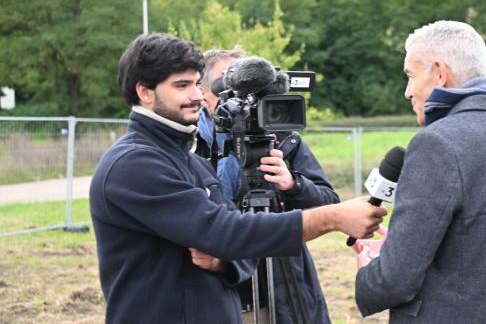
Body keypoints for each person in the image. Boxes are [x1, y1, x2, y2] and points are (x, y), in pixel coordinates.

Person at [89, 33, 386, 324]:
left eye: (195, 84)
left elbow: (236, 246)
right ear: (145, 92)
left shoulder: (189, 160)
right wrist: (332, 217)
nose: (196, 95)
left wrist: (224, 260)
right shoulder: (134, 163)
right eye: (182, 85)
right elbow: (226, 231)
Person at [353, 21, 486, 323]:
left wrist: (371, 270)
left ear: (440, 73)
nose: (408, 92)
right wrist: (404, 242)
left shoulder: (436, 143)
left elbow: (393, 280)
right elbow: (476, 246)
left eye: (411, 76)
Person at [196, 48, 338, 323]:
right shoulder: (191, 147)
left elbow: (330, 203)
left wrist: (293, 184)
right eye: (230, 82)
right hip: (219, 295)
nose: (243, 95)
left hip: (284, 288)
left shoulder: (283, 139)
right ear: (203, 92)